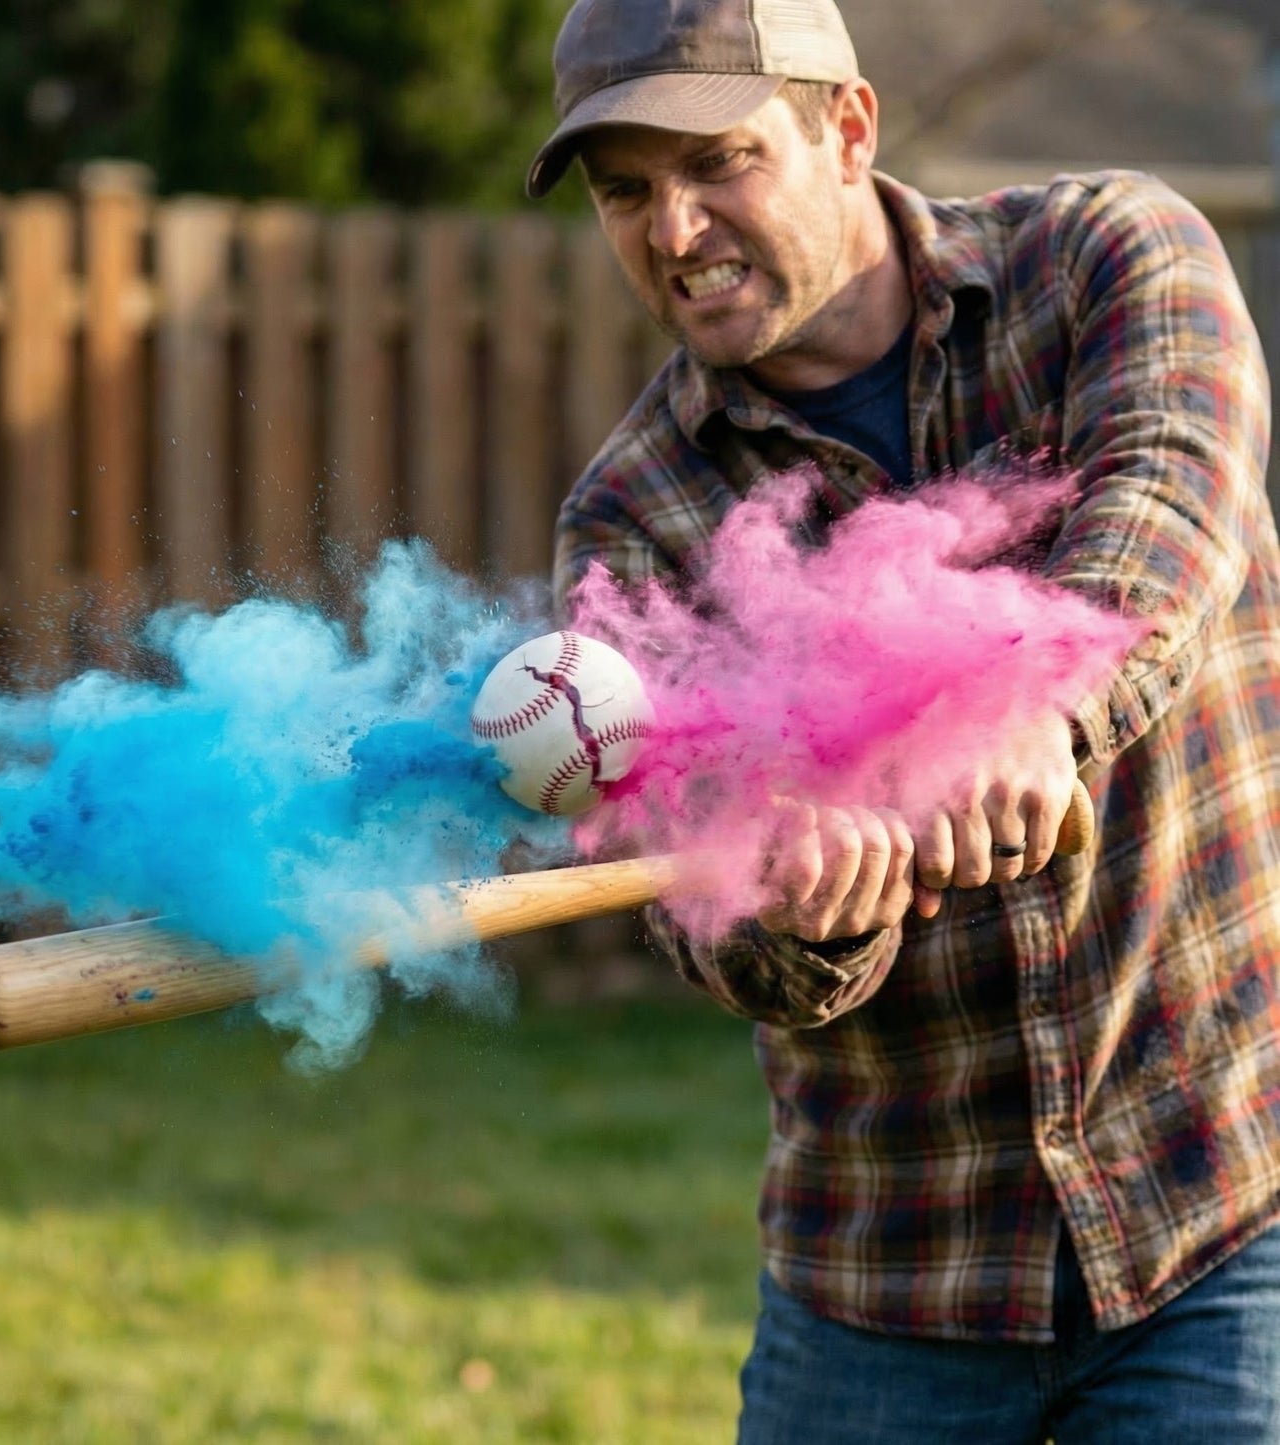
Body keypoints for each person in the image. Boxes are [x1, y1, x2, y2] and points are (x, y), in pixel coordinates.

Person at [527, 0, 1280, 1440]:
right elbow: (696, 901)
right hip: (889, 1278)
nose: (673, 230)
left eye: (718, 163)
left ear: (848, 128)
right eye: (625, 190)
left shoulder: (1109, 256)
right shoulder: (631, 520)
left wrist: (1030, 701)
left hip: (1224, 1211)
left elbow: (1173, 501)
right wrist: (794, 914)